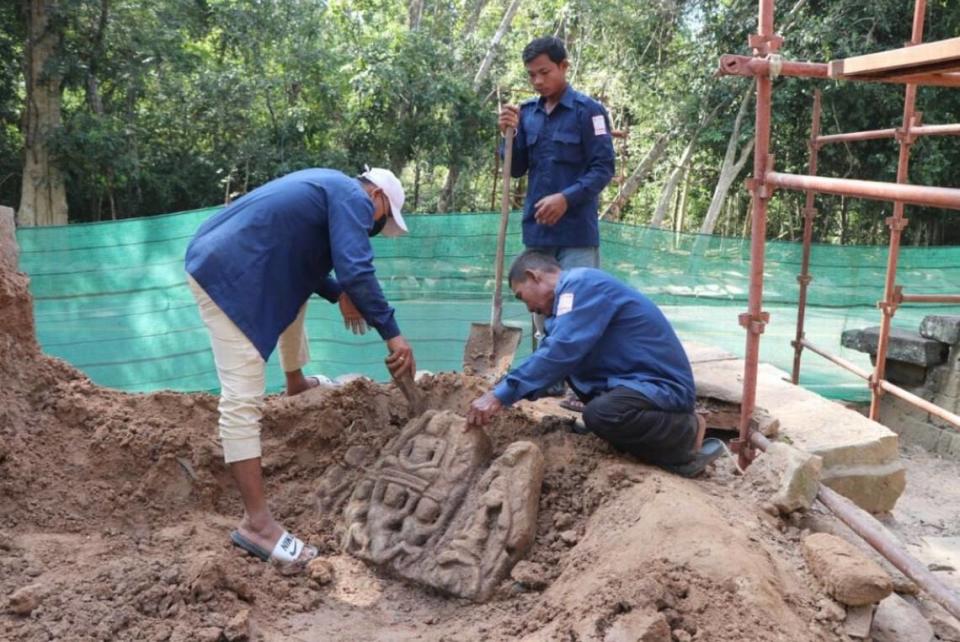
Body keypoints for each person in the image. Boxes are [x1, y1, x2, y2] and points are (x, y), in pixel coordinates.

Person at [185, 166, 416, 570]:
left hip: (226, 253)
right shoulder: (352, 196)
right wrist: (393, 335)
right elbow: (356, 267)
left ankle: (295, 382)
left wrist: (339, 289)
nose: (374, 229)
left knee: (298, 292)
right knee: (242, 399)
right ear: (377, 196)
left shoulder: (328, 188)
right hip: (229, 272)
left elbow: (304, 263)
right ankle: (257, 524)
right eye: (380, 222)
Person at [466, 251, 722, 477]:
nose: (529, 307)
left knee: (602, 414)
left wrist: (500, 395)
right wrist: (510, 390)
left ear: (534, 276)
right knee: (599, 412)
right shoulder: (565, 305)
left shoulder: (583, 285)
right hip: (634, 385)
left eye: (523, 297)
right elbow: (551, 355)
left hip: (659, 386)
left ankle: (685, 437)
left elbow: (560, 351)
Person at [498, 35, 616, 400]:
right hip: (539, 234)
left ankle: (586, 389)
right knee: (540, 310)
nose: (537, 81)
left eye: (544, 72)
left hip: (577, 232)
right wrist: (507, 136)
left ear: (564, 67)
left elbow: (603, 168)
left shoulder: (589, 112)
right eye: (531, 75)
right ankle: (545, 383)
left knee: (579, 307)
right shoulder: (527, 114)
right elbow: (514, 169)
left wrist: (566, 198)